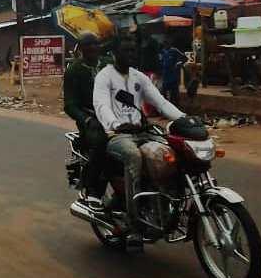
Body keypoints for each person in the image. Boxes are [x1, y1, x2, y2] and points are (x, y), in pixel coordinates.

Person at [93, 35, 187, 234]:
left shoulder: (139, 77)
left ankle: (165, 201)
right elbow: (101, 105)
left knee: (170, 153)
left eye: (133, 50)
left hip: (141, 132)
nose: (131, 54)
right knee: (133, 156)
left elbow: (161, 103)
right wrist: (116, 124)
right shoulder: (104, 76)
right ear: (115, 53)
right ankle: (133, 217)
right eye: (126, 50)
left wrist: (184, 119)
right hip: (116, 135)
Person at [63, 34, 114, 210]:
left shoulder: (108, 64)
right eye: (88, 45)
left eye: (95, 44)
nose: (92, 47)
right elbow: (70, 105)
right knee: (103, 144)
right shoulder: (73, 71)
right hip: (92, 119)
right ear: (81, 48)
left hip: (116, 116)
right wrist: (86, 119)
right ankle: (94, 190)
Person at [159, 36, 187, 106]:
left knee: (174, 94)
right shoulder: (162, 52)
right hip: (165, 76)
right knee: (164, 93)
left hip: (173, 76)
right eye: (165, 43)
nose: (166, 45)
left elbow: (185, 58)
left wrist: (179, 64)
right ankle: (165, 107)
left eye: (167, 43)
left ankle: (176, 107)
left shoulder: (174, 50)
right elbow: (160, 62)